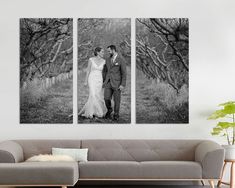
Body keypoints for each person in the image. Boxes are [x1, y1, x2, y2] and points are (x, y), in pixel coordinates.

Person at [78, 47, 107, 118]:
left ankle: (95, 111)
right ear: (97, 52)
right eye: (102, 52)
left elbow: (104, 72)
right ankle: (91, 112)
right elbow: (88, 70)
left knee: (97, 95)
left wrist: (105, 81)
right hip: (92, 78)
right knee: (93, 94)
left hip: (99, 79)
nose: (103, 53)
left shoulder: (104, 61)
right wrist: (85, 81)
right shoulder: (91, 60)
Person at [102, 45, 127, 121]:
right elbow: (105, 71)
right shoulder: (107, 59)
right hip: (108, 82)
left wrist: (122, 85)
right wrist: (104, 80)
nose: (108, 52)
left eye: (109, 51)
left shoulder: (121, 59)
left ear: (113, 50)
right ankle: (109, 110)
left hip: (117, 83)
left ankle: (116, 114)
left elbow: (124, 73)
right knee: (106, 98)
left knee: (117, 100)